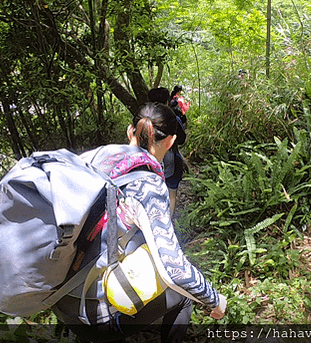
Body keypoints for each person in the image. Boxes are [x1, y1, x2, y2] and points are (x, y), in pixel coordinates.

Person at [52, 102, 227, 343]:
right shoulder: (148, 187)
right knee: (185, 294)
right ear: (171, 141)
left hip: (59, 300)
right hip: (93, 319)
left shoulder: (96, 158)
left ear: (129, 131)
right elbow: (175, 270)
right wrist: (216, 301)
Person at [149, 87, 187, 217]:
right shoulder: (173, 118)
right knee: (171, 193)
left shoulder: (143, 119)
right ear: (167, 101)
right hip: (171, 158)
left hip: (147, 160)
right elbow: (182, 139)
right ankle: (168, 222)